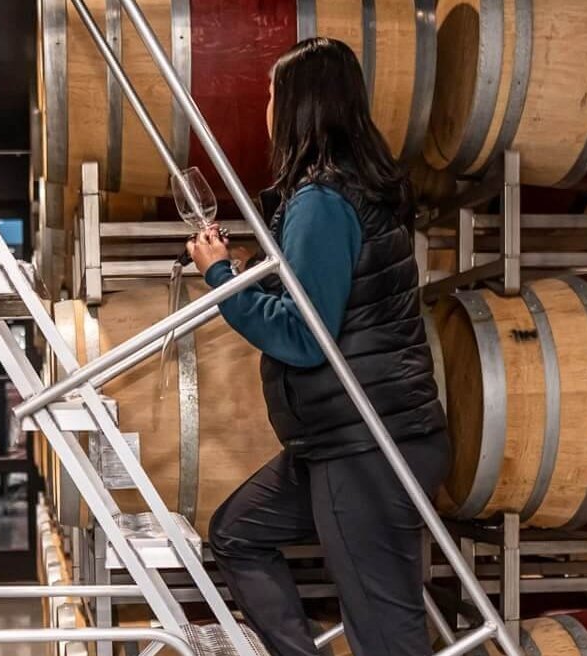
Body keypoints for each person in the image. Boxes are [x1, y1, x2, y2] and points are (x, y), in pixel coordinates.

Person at [184, 37, 447, 656]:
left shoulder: (323, 201)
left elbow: (306, 338)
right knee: (238, 532)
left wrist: (220, 278)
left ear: (299, 105)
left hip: (366, 447)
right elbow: (326, 298)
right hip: (346, 440)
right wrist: (251, 274)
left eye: (271, 94)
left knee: (387, 636)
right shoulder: (349, 191)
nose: (265, 107)